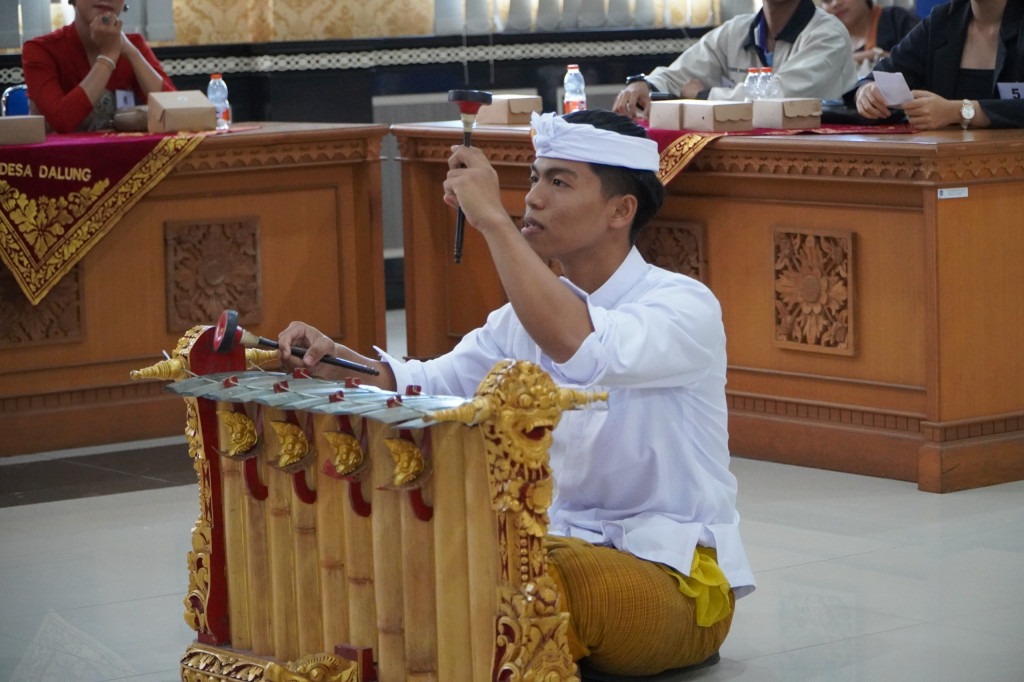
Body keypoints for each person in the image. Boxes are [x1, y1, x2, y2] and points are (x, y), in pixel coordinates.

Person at [278, 109, 755, 676]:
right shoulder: (521, 318)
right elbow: (426, 387)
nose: (532, 198)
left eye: (559, 182)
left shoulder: (682, 304)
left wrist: (492, 223)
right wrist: (334, 361)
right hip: (550, 551)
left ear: (620, 211)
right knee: (406, 551)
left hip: (670, 575)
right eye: (533, 178)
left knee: (522, 578)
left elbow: (583, 351)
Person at [613, 0, 856, 119]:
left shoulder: (828, 34)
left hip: (815, 159)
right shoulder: (736, 30)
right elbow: (679, 75)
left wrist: (704, 96)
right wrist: (643, 85)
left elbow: (781, 100)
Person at [853, 0, 1024, 129]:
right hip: (948, 158)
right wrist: (866, 91)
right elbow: (882, 73)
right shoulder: (942, 21)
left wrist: (958, 112)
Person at [22, 0, 175, 133]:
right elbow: (62, 121)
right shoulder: (40, 49)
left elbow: (176, 111)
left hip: (121, 153)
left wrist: (132, 53)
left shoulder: (134, 45)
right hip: (61, 156)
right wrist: (108, 56)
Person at [822, 0, 920, 77]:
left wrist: (878, 56)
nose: (835, 3)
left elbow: (921, 63)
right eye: (826, 0)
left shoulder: (897, 21)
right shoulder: (825, 41)